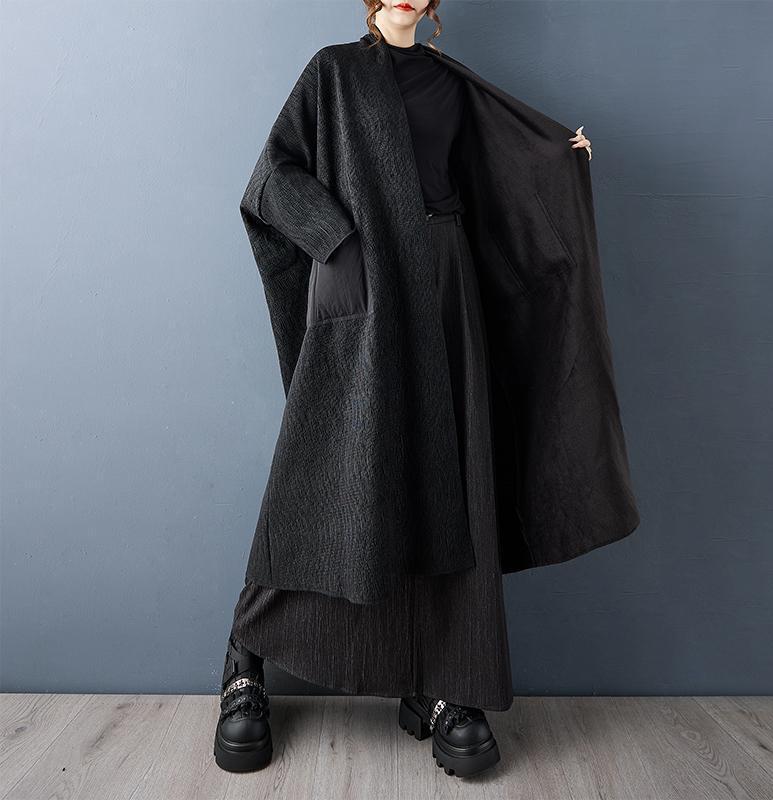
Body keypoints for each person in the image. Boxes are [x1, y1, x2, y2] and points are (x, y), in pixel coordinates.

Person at [213, 0, 621, 782]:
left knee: (449, 480)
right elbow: (273, 176)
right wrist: (337, 244)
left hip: (445, 287)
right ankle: (246, 656)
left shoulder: (452, 84)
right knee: (337, 474)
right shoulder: (334, 72)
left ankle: (444, 683)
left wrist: (558, 161)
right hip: (368, 288)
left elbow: (494, 175)